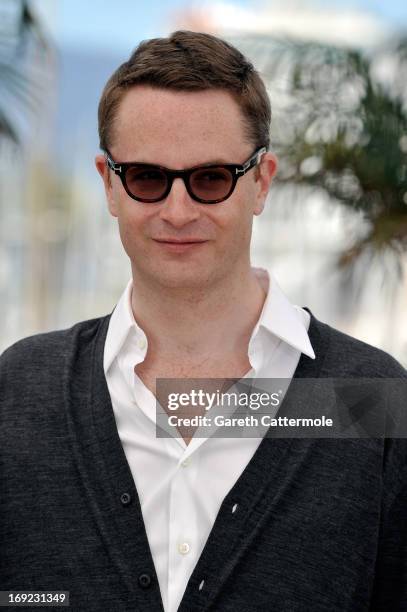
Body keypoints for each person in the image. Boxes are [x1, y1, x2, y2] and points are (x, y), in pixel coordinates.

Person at [0, 30, 406, 612]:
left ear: (261, 182)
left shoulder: (374, 401)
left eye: (211, 179)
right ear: (109, 184)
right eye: (146, 177)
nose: (178, 210)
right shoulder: (18, 392)